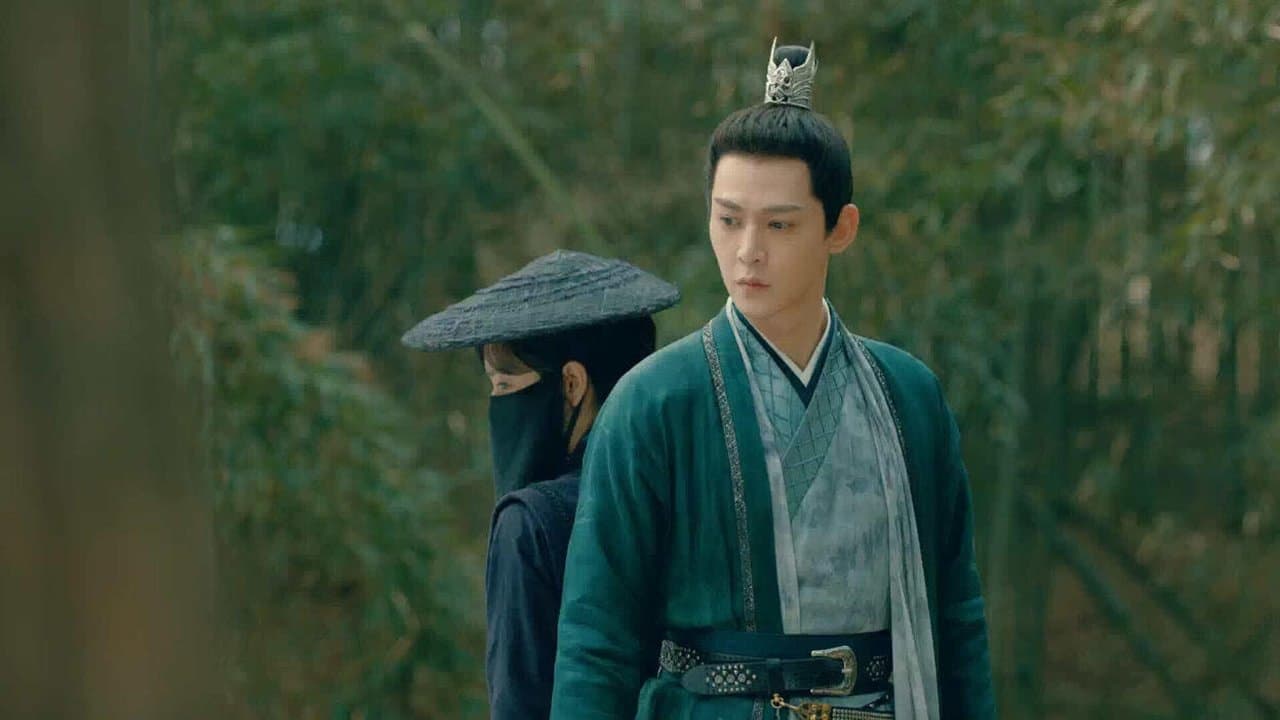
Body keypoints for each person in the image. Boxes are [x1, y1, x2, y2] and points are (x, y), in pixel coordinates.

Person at [550, 42, 995, 719]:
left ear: (840, 228)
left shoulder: (909, 398)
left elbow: (958, 621)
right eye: (728, 219)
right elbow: (595, 640)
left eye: (779, 225)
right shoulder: (653, 403)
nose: (747, 251)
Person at [401, 250, 680, 720]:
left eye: (505, 386)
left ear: (572, 384)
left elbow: (519, 704)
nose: (498, 406)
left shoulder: (530, 524)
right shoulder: (686, 487)